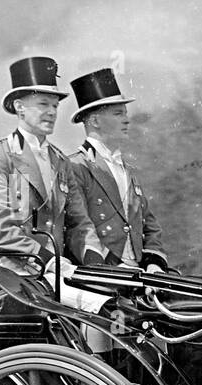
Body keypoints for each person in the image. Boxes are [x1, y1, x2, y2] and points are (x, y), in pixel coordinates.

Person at [0, 56, 109, 315]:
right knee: (97, 307)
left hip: (55, 270)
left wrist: (93, 259)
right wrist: (45, 258)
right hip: (11, 269)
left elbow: (79, 223)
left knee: (115, 298)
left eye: (55, 106)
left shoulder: (60, 162)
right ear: (19, 107)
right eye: (43, 104)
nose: (52, 112)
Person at [66, 67, 170, 273]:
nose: (127, 119)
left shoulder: (128, 171)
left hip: (140, 273)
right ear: (95, 121)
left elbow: (149, 224)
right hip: (102, 274)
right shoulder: (75, 167)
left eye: (125, 113)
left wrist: (153, 263)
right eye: (118, 113)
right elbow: (77, 228)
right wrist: (112, 268)